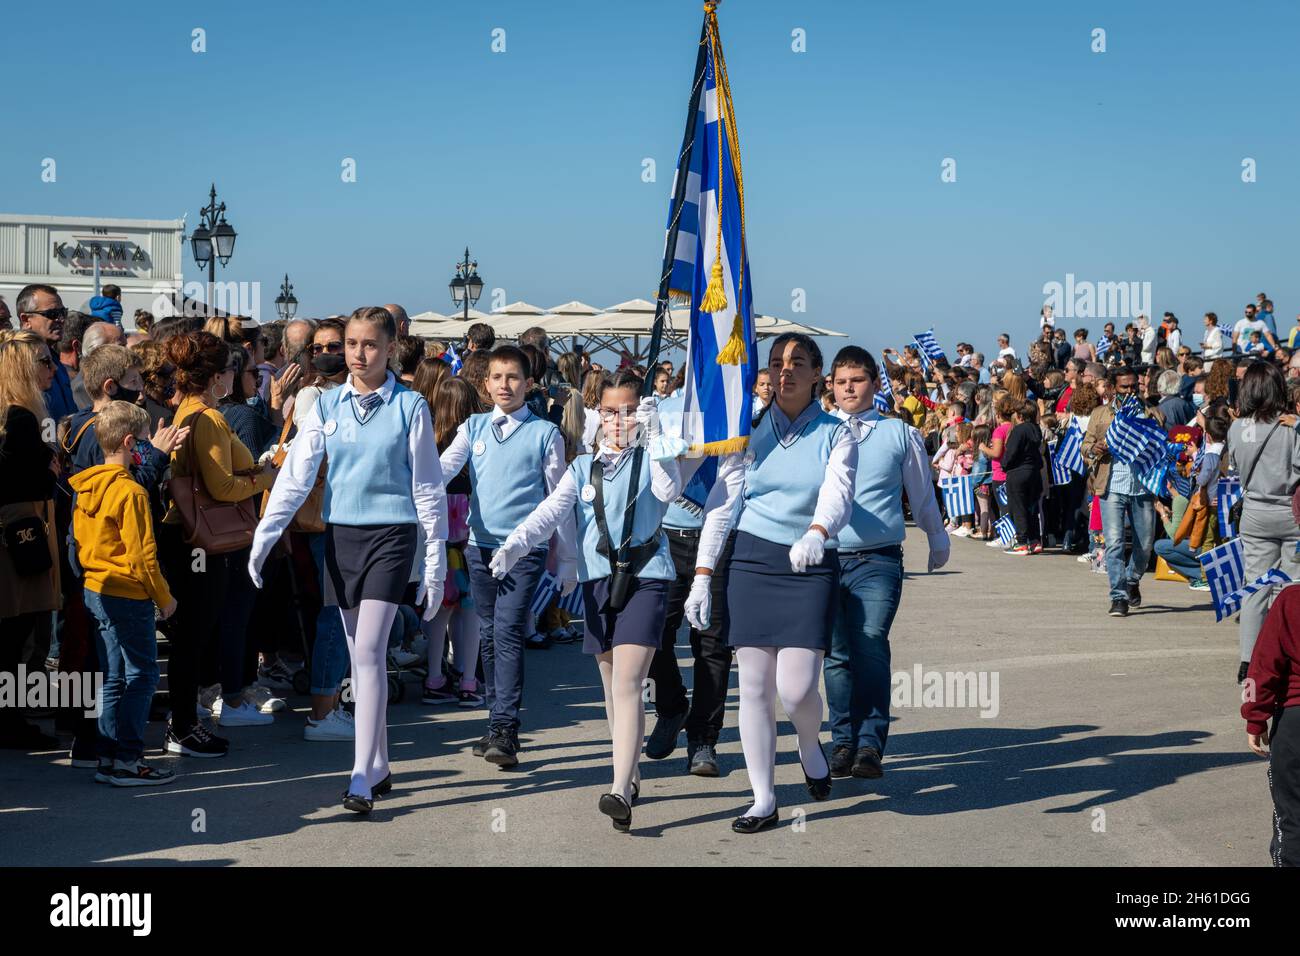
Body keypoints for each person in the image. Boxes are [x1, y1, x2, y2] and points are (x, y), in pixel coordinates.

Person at [250, 306, 447, 813]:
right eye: (351, 344)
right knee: (365, 658)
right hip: (341, 538)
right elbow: (296, 474)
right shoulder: (326, 404)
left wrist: (434, 561)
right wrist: (265, 535)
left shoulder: (411, 406)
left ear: (389, 348)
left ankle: (359, 775)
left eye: (369, 345)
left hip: (392, 534)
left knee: (366, 654)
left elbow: (427, 485)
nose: (359, 354)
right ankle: (378, 763)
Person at [491, 372, 680, 830]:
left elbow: (669, 491)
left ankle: (618, 790)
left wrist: (654, 435)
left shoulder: (653, 454)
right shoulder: (582, 468)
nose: (620, 420)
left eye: (630, 410)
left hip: (647, 577)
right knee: (613, 687)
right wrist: (516, 544)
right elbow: (550, 512)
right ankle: (628, 772)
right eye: (612, 411)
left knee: (630, 683)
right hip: (600, 583)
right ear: (598, 413)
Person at [686, 333, 857, 833]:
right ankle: (763, 798)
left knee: (798, 688)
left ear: (816, 374)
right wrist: (702, 575)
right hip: (753, 560)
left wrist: (818, 532)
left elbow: (839, 492)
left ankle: (808, 742)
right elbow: (723, 502)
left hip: (810, 561)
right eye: (778, 363)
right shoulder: (747, 429)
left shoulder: (835, 431)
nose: (786, 371)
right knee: (756, 687)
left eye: (797, 363)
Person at [437, 345, 573, 767]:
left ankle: (505, 726)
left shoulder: (544, 433)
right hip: (479, 548)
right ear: (485, 383)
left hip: (524, 550)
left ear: (528, 383)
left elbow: (560, 497)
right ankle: (496, 719)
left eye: (513, 377)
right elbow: (440, 470)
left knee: (509, 630)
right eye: (496, 377)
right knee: (491, 632)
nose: (504, 385)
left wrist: (565, 556)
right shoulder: (473, 427)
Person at [821, 346, 947, 778]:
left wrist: (936, 535)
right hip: (826, 557)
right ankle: (842, 742)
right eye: (840, 382)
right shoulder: (819, 431)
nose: (849, 388)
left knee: (870, 640)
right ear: (831, 387)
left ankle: (870, 744)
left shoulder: (898, 432)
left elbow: (920, 488)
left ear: (875, 383)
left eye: (857, 380)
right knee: (836, 654)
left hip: (877, 559)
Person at [158, 332, 281, 757]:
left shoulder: (187, 411)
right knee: (194, 635)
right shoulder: (206, 417)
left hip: (186, 535)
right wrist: (266, 478)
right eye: (230, 369)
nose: (233, 377)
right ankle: (184, 726)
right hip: (198, 539)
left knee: (192, 634)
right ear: (216, 377)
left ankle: (184, 723)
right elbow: (222, 485)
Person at [69, 401, 177, 786]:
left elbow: (80, 544)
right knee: (143, 674)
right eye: (145, 441)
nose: (147, 448)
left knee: (114, 677)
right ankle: (129, 761)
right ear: (130, 442)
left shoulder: (85, 486)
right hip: (126, 592)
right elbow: (143, 555)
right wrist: (164, 598)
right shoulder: (130, 493)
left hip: (96, 588)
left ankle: (109, 757)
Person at [643, 392, 736, 776]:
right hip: (667, 534)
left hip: (720, 538)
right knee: (652, 633)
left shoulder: (734, 406)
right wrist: (646, 431)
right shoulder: (664, 408)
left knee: (712, 642)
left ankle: (703, 739)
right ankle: (671, 706)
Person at [0, 331, 62, 750]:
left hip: (13, 532)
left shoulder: (13, 414)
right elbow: (30, 480)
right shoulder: (21, 418)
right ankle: (9, 723)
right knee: (16, 633)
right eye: (43, 361)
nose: (52, 369)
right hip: (20, 534)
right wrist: (51, 471)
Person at [1229, 362, 1300, 683]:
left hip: (1255, 512)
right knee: (1293, 586)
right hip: (1291, 512)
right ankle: (1292, 653)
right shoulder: (1290, 427)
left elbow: (1234, 467)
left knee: (1255, 587)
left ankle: (1249, 658)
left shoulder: (1236, 428)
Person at [420, 376, 485, 707]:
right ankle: (469, 680)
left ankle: (434, 677)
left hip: (437, 534)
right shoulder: (475, 441)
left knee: (437, 610)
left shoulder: (426, 442)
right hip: (471, 533)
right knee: (470, 611)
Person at [1083, 366, 1158, 617]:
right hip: (1111, 485)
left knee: (1145, 544)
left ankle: (1132, 579)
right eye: (1124, 387)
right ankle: (1118, 596)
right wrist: (1096, 449)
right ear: (1113, 388)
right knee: (1114, 543)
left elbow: (1160, 446)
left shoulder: (1150, 413)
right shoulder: (1100, 414)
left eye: (1133, 386)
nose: (1129, 391)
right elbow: (1085, 446)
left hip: (1142, 487)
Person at [1242, 585, 1300, 866]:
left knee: (1292, 816)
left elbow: (1264, 664)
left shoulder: (1291, 599)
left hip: (1295, 719)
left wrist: (1255, 716)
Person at [16, 284, 76, 422]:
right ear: (26, 320)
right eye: (52, 314)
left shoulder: (54, 358)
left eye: (63, 313)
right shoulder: (17, 361)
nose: (61, 320)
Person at [1001, 400, 1045, 554]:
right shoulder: (1036, 429)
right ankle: (1034, 541)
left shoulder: (1019, 430)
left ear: (1019, 415)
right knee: (1032, 508)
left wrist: (1004, 465)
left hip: (1018, 472)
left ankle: (1022, 542)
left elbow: (1011, 452)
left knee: (1018, 507)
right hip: (1033, 472)